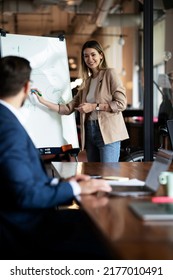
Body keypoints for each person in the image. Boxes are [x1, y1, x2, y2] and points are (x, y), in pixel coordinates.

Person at [0, 55, 113, 260]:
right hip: (27, 230)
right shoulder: (8, 129)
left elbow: (18, 182)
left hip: (25, 222)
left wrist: (61, 182)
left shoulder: (5, 121)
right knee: (109, 237)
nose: (89, 59)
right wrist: (75, 188)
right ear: (26, 87)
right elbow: (25, 195)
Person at [34, 40, 129, 162]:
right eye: (86, 56)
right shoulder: (86, 82)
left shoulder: (109, 74)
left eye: (93, 54)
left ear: (101, 55)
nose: (90, 59)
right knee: (94, 175)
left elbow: (121, 104)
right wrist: (42, 101)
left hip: (108, 133)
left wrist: (94, 107)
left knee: (108, 174)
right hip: (90, 131)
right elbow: (67, 108)